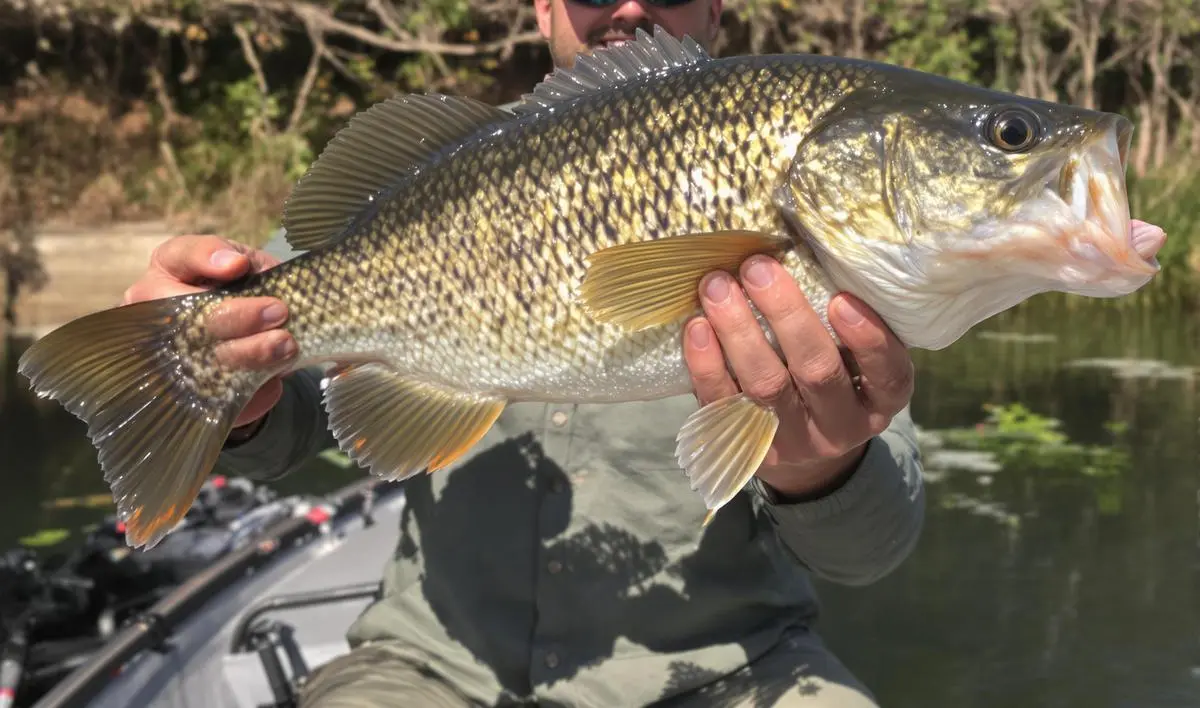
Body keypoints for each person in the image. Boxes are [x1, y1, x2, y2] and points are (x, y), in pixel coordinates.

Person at [120, 1, 926, 705]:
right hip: (432, 666)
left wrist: (817, 468)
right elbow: (290, 421)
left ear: (715, 11)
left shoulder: (852, 273)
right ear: (544, 7)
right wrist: (229, 390)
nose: (632, 7)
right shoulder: (439, 169)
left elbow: (870, 552)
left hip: (727, 672)